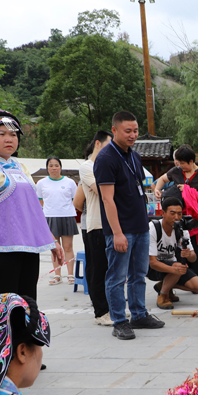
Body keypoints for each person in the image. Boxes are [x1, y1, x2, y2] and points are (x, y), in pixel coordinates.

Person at [0, 110, 63, 302]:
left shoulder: (20, 167)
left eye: (13, 135)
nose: (9, 139)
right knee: (6, 306)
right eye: (1, 134)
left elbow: (33, 209)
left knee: (28, 304)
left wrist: (52, 241)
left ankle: (27, 333)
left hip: (28, 248)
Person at [94, 110, 165, 340]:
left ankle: (139, 314)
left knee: (138, 274)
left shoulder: (133, 155)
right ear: (114, 130)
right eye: (128, 131)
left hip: (141, 226)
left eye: (135, 130)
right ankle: (119, 320)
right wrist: (117, 233)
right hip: (121, 229)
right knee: (117, 276)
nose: (133, 135)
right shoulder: (106, 158)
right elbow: (107, 199)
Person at [153, 144, 198, 278]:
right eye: (178, 163)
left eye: (182, 163)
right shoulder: (176, 171)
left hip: (193, 217)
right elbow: (162, 179)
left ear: (191, 161)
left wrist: (188, 191)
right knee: (176, 245)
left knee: (194, 246)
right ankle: (179, 276)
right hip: (176, 216)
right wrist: (157, 190)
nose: (180, 166)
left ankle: (195, 277)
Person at [79, 130, 113, 326]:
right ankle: (100, 312)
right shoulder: (87, 167)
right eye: (109, 145)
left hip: (112, 223)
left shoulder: (109, 165)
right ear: (98, 144)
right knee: (97, 269)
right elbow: (102, 190)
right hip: (96, 224)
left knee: (111, 269)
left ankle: (110, 308)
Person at [148, 197, 198, 309]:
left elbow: (193, 258)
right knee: (178, 266)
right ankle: (163, 296)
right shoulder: (153, 228)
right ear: (163, 213)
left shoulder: (182, 229)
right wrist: (174, 270)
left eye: (179, 214)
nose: (177, 217)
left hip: (173, 266)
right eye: (172, 213)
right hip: (151, 269)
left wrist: (189, 254)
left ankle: (163, 286)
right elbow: (152, 263)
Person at [35, 156, 79, 286]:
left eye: (56, 165)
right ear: (47, 168)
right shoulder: (41, 183)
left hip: (67, 216)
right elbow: (40, 200)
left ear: (60, 167)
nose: (54, 168)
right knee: (54, 248)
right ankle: (57, 275)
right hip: (49, 217)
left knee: (68, 247)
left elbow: (74, 200)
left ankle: (70, 275)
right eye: (51, 165)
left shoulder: (70, 182)